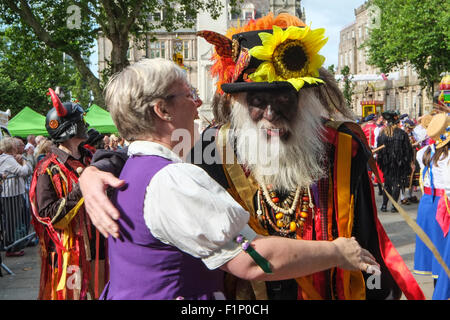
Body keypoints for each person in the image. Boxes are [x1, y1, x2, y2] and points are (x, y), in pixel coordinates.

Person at [80, 13, 424, 300]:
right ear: (240, 105)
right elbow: (151, 161)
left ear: (304, 100)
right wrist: (96, 170)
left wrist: (379, 293)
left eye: (283, 100)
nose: (271, 114)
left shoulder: (341, 147)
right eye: (258, 101)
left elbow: (366, 244)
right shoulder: (215, 147)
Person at [29, 88, 107, 300]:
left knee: (102, 294)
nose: (85, 125)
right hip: (68, 253)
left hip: (99, 246)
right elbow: (46, 214)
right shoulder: (47, 168)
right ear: (70, 128)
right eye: (81, 121)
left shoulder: (92, 159)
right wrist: (81, 188)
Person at [413, 112, 449, 298]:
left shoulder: (422, 153)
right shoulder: (447, 157)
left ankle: (439, 290)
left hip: (427, 204)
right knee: (445, 252)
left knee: (434, 250)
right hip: (443, 205)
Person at [0, 137, 33, 257]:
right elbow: (24, 171)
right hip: (11, 195)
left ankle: (11, 245)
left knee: (11, 221)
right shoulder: (8, 159)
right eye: (15, 145)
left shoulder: (7, 158)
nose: (17, 147)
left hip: (9, 194)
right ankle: (11, 247)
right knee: (12, 222)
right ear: (11, 147)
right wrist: (24, 161)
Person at [377, 111, 414, 213]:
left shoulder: (382, 134)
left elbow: (379, 151)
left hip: (387, 164)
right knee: (396, 184)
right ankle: (394, 206)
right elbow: (407, 150)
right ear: (396, 121)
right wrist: (409, 163)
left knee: (387, 184)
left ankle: (384, 205)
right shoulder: (402, 133)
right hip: (398, 164)